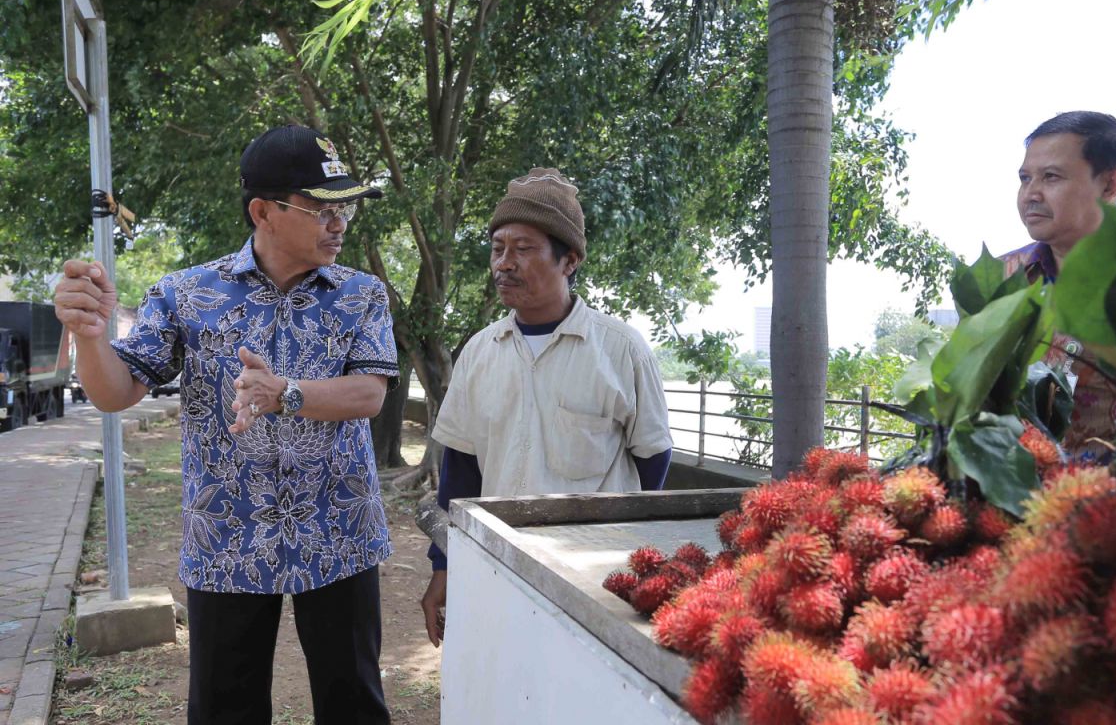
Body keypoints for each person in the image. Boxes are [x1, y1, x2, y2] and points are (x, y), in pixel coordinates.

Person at [53, 124, 401, 725]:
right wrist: (89, 336)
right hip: (227, 539)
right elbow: (117, 391)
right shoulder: (187, 294)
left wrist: (283, 392)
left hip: (340, 530)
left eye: (343, 207)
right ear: (262, 211)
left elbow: (369, 394)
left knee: (354, 705)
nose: (338, 222)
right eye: (320, 207)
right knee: (224, 709)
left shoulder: (361, 295)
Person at [419, 168, 673, 646]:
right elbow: (462, 470)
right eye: (497, 249)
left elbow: (652, 461)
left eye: (524, 248)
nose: (504, 264)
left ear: (569, 260)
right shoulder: (479, 351)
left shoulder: (621, 351)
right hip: (497, 569)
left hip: (594, 583)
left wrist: (618, 549)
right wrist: (445, 567)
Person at [1002, 111, 1116, 463]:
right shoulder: (1002, 277)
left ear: (1109, 184)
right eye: (1025, 178)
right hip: (1008, 493)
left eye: (1051, 177)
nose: (1031, 194)